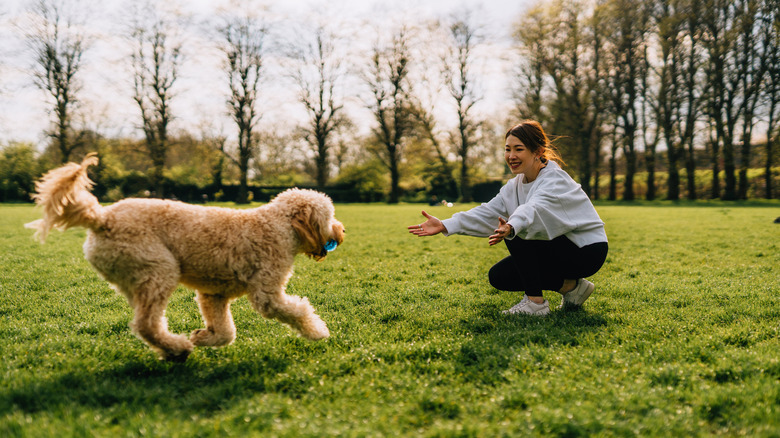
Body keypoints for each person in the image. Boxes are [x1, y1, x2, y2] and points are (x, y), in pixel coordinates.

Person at [407, 120, 608, 316]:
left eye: (518, 149)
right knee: (500, 277)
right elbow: (488, 212)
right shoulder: (514, 185)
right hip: (558, 248)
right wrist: (445, 224)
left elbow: (533, 209)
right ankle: (572, 288)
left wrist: (512, 226)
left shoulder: (555, 179)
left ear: (538, 151)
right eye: (507, 149)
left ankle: (535, 304)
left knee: (518, 233)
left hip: (586, 251)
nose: (511, 156)